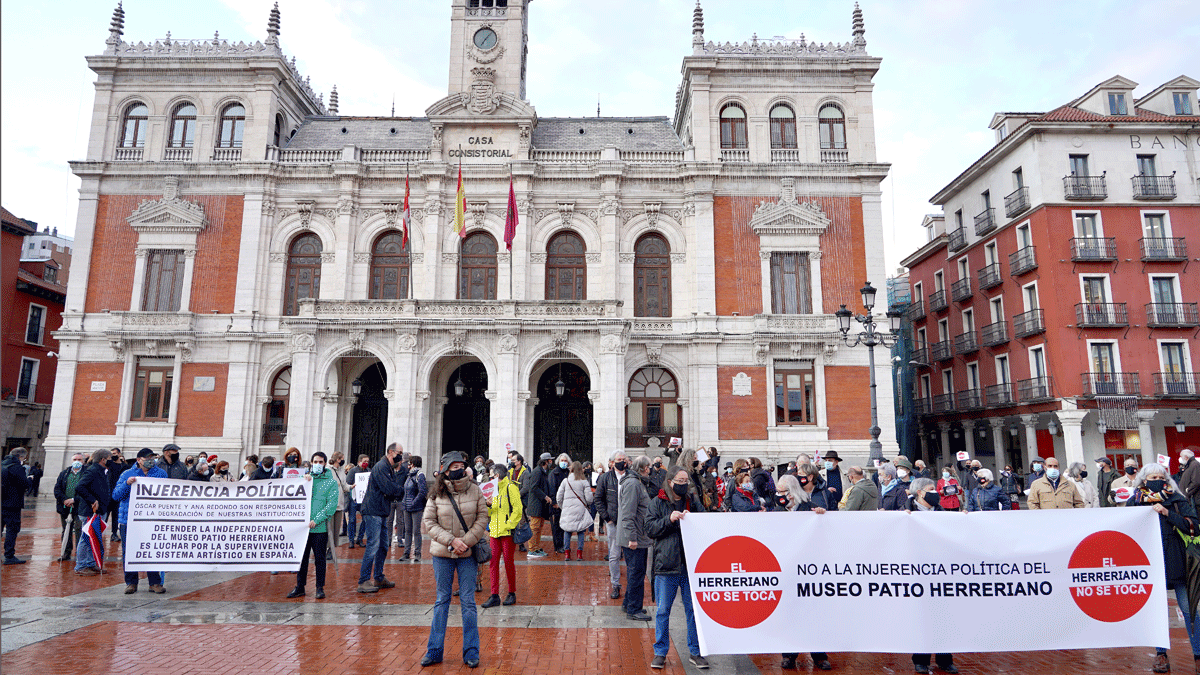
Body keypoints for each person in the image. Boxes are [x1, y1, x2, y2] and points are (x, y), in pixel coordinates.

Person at [1123, 463, 1200, 674]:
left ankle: (1198, 655)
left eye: (1160, 476)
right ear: (1143, 480)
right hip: (1150, 563)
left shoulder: (1176, 500)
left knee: (1189, 611)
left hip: (1178, 561)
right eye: (1151, 476)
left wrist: (1167, 512)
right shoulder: (1135, 502)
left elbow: (1193, 524)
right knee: (1158, 612)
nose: (1156, 479)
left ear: (1166, 480)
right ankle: (1161, 655)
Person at [421, 451, 488, 668]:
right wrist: (451, 540)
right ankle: (434, 650)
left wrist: (466, 542)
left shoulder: (475, 490)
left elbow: (482, 518)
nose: (458, 469)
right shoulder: (436, 493)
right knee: (442, 601)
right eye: (454, 466)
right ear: (445, 470)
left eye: (461, 465)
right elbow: (429, 522)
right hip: (442, 554)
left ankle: (471, 651)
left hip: (467, 555)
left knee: (468, 602)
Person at [647, 467, 709, 670]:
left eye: (686, 480)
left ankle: (696, 651)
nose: (684, 484)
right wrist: (669, 519)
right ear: (670, 481)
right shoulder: (658, 502)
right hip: (667, 564)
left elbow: (705, 521)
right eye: (680, 480)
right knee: (663, 610)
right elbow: (650, 529)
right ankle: (660, 652)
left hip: (690, 565)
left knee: (693, 611)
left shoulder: (692, 500)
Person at [774, 472, 832, 671]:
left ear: (791, 493)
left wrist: (822, 518)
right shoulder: (776, 512)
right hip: (787, 570)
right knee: (789, 613)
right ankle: (789, 654)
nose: (777, 495)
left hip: (808, 571)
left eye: (781, 491)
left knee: (813, 612)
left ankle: (819, 655)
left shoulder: (810, 510)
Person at [904, 478, 959, 674]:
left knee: (944, 618)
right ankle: (921, 660)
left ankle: (945, 659)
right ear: (919, 492)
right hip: (917, 574)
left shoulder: (942, 512)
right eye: (930, 490)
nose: (935, 493)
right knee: (921, 619)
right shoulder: (904, 511)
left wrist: (965, 519)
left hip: (940, 574)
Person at [112, 448, 168, 592]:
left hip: (151, 519)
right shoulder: (127, 474)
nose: (151, 460)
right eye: (147, 458)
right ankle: (131, 582)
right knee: (128, 551)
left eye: (152, 457)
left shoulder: (161, 474)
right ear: (139, 460)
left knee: (153, 549)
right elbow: (116, 495)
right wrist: (127, 484)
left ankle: (154, 582)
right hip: (129, 519)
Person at [286, 452, 338, 599]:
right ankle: (300, 586)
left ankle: (319, 587)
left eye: (320, 462)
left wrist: (317, 519)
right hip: (303, 527)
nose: (318, 464)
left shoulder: (331, 482)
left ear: (325, 464)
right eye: (315, 461)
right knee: (302, 558)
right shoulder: (305, 480)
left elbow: (331, 505)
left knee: (320, 558)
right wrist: (303, 480)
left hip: (319, 527)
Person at [357, 442, 405, 593]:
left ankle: (378, 576)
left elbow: (391, 487)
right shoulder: (381, 466)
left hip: (381, 511)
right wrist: (400, 490)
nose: (401, 456)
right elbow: (388, 488)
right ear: (391, 452)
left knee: (384, 545)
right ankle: (363, 581)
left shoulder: (388, 467)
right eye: (399, 453)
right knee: (373, 545)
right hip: (373, 511)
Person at [618, 455, 654, 621]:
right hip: (635, 538)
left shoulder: (637, 482)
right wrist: (632, 537)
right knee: (636, 573)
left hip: (638, 536)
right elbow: (628, 514)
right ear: (643, 468)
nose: (650, 469)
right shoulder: (633, 484)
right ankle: (634, 609)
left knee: (636, 572)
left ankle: (628, 603)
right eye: (649, 467)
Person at [481, 463, 522, 608]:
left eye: (491, 475)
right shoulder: (493, 490)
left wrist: (509, 525)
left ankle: (511, 592)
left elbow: (518, 510)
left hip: (507, 532)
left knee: (509, 562)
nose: (489, 478)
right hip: (494, 531)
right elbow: (491, 513)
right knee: (493, 563)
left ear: (497, 475)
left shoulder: (511, 487)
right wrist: (488, 505)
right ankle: (494, 595)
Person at [74, 448, 113, 575]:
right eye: (109, 458)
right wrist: (92, 500)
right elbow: (80, 486)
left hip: (99, 510)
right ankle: (81, 565)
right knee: (86, 538)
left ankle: (90, 563)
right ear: (103, 459)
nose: (111, 461)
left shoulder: (102, 471)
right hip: (89, 511)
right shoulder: (93, 470)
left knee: (93, 537)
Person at [596, 450, 626, 599]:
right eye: (618, 459)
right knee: (614, 554)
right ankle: (615, 584)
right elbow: (598, 499)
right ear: (613, 462)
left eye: (623, 459)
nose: (621, 461)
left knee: (630, 553)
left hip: (628, 522)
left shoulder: (631, 477)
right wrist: (607, 518)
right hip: (613, 521)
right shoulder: (606, 478)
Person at [556, 461, 594, 560]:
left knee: (567, 531)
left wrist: (562, 506)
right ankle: (579, 554)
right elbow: (589, 498)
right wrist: (586, 505)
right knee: (581, 531)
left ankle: (567, 554)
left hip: (567, 509)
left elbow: (559, 497)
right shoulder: (584, 481)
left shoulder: (565, 481)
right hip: (580, 508)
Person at [53, 453, 87, 561]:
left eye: (79, 459)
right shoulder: (64, 473)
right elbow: (57, 489)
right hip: (65, 506)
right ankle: (66, 552)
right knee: (66, 529)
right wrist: (65, 500)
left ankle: (80, 553)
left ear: (83, 461)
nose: (77, 461)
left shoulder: (86, 473)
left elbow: (87, 490)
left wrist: (74, 500)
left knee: (79, 529)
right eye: (75, 459)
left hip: (80, 506)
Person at [2, 448, 31, 565]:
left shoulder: (2, 465)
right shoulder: (17, 468)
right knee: (12, 530)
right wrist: (30, 480)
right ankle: (9, 555)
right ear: (21, 457)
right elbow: (24, 484)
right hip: (12, 504)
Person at [525, 453, 554, 557]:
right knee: (535, 528)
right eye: (550, 460)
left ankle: (536, 548)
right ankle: (532, 549)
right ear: (545, 461)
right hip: (536, 505)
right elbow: (534, 487)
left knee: (539, 528)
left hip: (541, 505)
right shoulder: (537, 472)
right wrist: (545, 496)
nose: (551, 462)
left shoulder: (544, 472)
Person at [401, 456, 428, 562]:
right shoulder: (409, 475)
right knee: (407, 530)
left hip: (416, 507)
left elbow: (422, 491)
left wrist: (413, 502)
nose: (407, 465)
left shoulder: (419, 475)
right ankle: (406, 553)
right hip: (406, 506)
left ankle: (417, 553)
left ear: (413, 464)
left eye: (409, 463)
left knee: (416, 531)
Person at [547, 452, 571, 555]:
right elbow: (552, 489)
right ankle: (558, 545)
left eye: (565, 461)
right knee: (557, 526)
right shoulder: (554, 473)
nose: (564, 462)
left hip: (567, 503)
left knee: (565, 525)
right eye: (562, 460)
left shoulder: (569, 473)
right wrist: (555, 502)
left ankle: (564, 545)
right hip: (558, 504)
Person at [346, 454, 370, 547]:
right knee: (352, 520)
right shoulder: (353, 471)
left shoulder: (368, 471)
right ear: (359, 462)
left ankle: (360, 539)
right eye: (364, 461)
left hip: (364, 500)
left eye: (367, 461)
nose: (366, 463)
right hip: (354, 499)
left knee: (365, 519)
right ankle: (351, 540)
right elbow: (347, 483)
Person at [326, 451, 348, 546]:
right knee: (329, 529)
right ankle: (327, 547)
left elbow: (344, 485)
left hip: (339, 504)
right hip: (330, 504)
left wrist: (352, 487)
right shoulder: (328, 470)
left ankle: (332, 548)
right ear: (338, 459)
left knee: (336, 529)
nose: (343, 460)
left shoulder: (342, 470)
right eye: (342, 458)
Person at [105, 449, 127, 541]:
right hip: (108, 493)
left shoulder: (124, 466)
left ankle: (114, 534)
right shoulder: (109, 465)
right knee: (105, 514)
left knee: (116, 515)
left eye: (114, 454)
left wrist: (122, 461)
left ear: (119, 454)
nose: (113, 455)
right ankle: (99, 531)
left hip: (118, 493)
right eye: (112, 454)